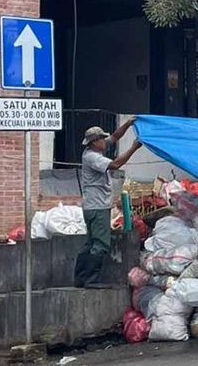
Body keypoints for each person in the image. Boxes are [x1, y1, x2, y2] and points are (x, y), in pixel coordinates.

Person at [74, 119, 143, 288]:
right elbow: (116, 164)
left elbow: (114, 137)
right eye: (101, 139)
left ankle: (80, 278)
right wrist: (134, 147)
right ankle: (91, 280)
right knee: (101, 244)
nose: (105, 142)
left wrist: (128, 124)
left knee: (90, 243)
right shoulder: (92, 157)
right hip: (98, 207)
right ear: (94, 142)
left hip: (91, 206)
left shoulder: (93, 151)